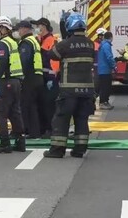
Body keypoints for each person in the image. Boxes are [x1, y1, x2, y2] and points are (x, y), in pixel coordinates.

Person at [43, 12, 95, 159]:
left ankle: (57, 150)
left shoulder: (65, 44)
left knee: (61, 119)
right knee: (82, 120)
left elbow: (51, 55)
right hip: (87, 91)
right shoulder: (90, 43)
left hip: (69, 91)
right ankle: (79, 150)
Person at [0, 16, 26, 153]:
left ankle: (5, 143)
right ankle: (20, 141)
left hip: (6, 82)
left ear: (3, 28)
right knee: (15, 113)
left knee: (0, 113)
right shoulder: (13, 42)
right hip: (16, 82)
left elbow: (3, 63)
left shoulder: (2, 44)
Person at [32, 17, 59, 137]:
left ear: (45, 26)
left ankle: (50, 129)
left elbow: (54, 61)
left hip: (50, 77)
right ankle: (43, 128)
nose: (37, 28)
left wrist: (52, 77)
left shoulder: (50, 40)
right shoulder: (40, 39)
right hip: (42, 77)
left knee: (49, 105)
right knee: (42, 105)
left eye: (39, 26)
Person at [17, 20, 44, 138]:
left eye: (19, 29)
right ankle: (35, 131)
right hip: (37, 76)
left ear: (25, 29)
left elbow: (24, 60)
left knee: (27, 106)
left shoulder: (26, 43)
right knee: (33, 105)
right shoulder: (34, 40)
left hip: (30, 77)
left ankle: (31, 132)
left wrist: (19, 75)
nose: (18, 31)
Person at [97, 31, 116, 110]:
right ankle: (103, 102)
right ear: (111, 37)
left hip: (102, 69)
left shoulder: (102, 44)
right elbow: (109, 57)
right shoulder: (106, 45)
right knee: (105, 87)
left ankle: (105, 102)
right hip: (105, 69)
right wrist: (114, 66)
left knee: (105, 87)